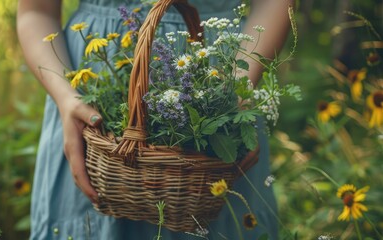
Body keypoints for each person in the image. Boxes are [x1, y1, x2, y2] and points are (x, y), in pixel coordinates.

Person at [17, 0, 293, 239]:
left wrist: (236, 96)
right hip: (87, 92)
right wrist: (67, 99)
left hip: (222, 76)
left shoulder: (227, 92)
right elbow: (36, 11)